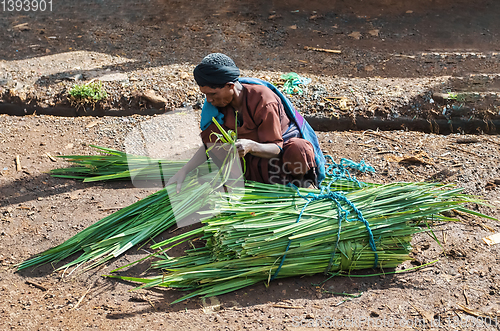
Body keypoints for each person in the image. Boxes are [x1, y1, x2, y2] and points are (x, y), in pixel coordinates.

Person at [167, 53, 325, 192]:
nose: (208, 100)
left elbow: (276, 147)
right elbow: (209, 145)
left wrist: (251, 146)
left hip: (280, 159)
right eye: (205, 94)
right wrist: (185, 170)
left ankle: (297, 186)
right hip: (252, 165)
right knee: (215, 139)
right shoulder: (216, 107)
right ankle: (254, 186)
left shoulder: (263, 100)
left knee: (299, 149)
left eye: (213, 93)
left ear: (230, 86)